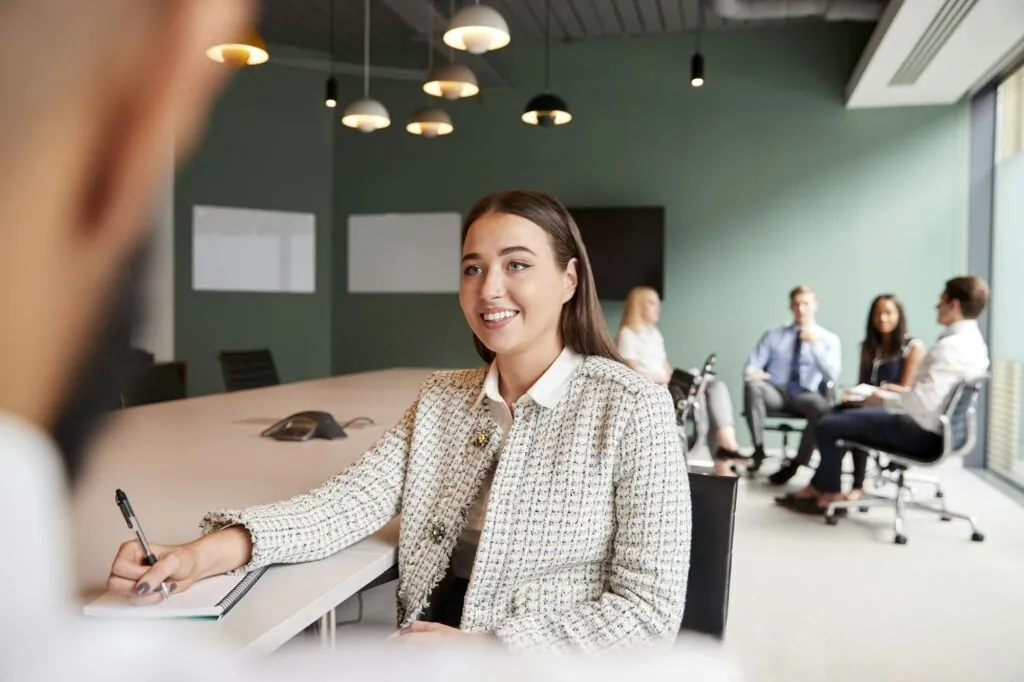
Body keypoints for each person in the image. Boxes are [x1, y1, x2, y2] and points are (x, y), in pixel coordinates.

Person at [106, 190, 692, 651]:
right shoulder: (442, 398)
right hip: (426, 643)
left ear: (569, 280)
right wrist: (200, 554)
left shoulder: (632, 407)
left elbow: (647, 611)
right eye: (472, 268)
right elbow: (344, 504)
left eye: (517, 264)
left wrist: (486, 651)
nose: (490, 288)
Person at [779, 277, 990, 514]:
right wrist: (893, 395)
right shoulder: (975, 344)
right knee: (833, 416)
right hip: (934, 428)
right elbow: (931, 396)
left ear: (953, 305)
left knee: (828, 426)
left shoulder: (950, 348)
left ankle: (830, 493)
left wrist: (879, 398)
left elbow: (920, 403)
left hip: (920, 433)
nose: (936, 308)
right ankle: (821, 487)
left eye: (940, 302)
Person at [617, 286, 746, 477]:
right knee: (706, 392)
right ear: (638, 306)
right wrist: (660, 378)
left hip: (668, 385)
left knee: (713, 386)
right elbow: (629, 373)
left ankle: (726, 442)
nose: (658, 308)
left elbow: (668, 369)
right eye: (652, 303)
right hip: (652, 390)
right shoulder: (627, 335)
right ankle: (723, 454)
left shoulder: (654, 334)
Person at [742, 285, 842, 484]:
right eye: (796, 304)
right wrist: (753, 372)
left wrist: (815, 346)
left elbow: (832, 375)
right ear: (791, 307)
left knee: (821, 408)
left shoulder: (828, 339)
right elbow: (752, 365)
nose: (801, 309)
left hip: (805, 394)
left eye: (805, 303)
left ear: (815, 306)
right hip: (776, 391)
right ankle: (758, 449)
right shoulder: (773, 335)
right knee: (753, 385)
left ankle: (797, 463)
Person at [838, 294, 925, 497]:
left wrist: (882, 390)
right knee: (831, 415)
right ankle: (825, 485)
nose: (882, 318)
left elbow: (906, 389)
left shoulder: (913, 348)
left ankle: (856, 486)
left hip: (897, 409)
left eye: (888, 313)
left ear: (899, 316)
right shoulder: (868, 347)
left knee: (854, 421)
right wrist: (853, 393)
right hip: (871, 402)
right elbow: (863, 383)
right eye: (878, 314)